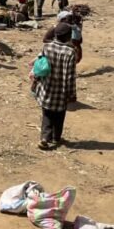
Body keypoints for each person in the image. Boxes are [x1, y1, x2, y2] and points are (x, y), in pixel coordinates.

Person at [34, 22, 77, 150]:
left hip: (46, 86)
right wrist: (72, 94)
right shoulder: (70, 52)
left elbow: (40, 65)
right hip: (61, 90)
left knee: (47, 113)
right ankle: (56, 137)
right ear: (67, 36)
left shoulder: (47, 47)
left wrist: (36, 81)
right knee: (59, 115)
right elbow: (70, 76)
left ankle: (44, 138)